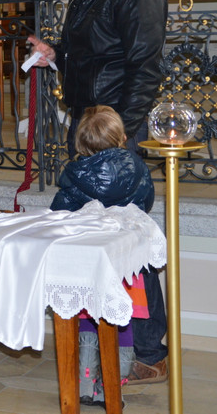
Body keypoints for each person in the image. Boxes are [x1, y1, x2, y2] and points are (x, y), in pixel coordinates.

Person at [27, 0, 169, 384]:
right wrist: (55, 55)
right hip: (88, 126)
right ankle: (106, 341)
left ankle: (149, 350)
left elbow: (145, 70)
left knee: (127, 239)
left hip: (115, 131)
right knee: (94, 238)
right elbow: (87, 51)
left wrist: (117, 136)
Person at [50, 105, 155, 406]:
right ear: (122, 137)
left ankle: (84, 385)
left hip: (89, 264)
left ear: (80, 143)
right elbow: (146, 203)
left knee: (86, 316)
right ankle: (112, 389)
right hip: (123, 264)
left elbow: (59, 213)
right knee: (122, 320)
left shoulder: (74, 174)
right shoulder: (137, 168)